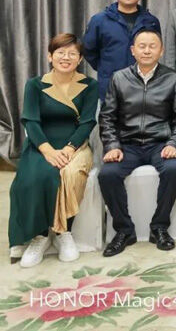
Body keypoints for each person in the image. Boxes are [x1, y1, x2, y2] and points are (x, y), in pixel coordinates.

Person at [97, 29, 176, 256]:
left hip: (160, 143)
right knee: (107, 174)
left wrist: (174, 143)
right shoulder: (119, 78)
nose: (147, 50)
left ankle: (159, 227)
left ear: (161, 51)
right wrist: (112, 146)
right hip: (127, 145)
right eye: (142, 46)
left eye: (152, 46)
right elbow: (107, 117)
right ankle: (124, 230)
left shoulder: (173, 78)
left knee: (174, 169)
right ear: (133, 50)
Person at [9, 34, 98, 267]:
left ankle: (62, 232)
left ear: (80, 59)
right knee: (34, 178)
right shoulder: (35, 84)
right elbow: (31, 121)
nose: (66, 57)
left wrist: (69, 148)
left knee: (69, 175)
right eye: (60, 52)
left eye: (72, 53)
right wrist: (48, 151)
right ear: (50, 56)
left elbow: (87, 122)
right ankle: (39, 236)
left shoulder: (90, 85)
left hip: (75, 144)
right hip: (41, 143)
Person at [84, 0, 161, 101]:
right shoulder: (99, 20)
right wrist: (105, 67)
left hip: (144, 86)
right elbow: (89, 49)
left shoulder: (151, 21)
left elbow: (156, 50)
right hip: (110, 85)